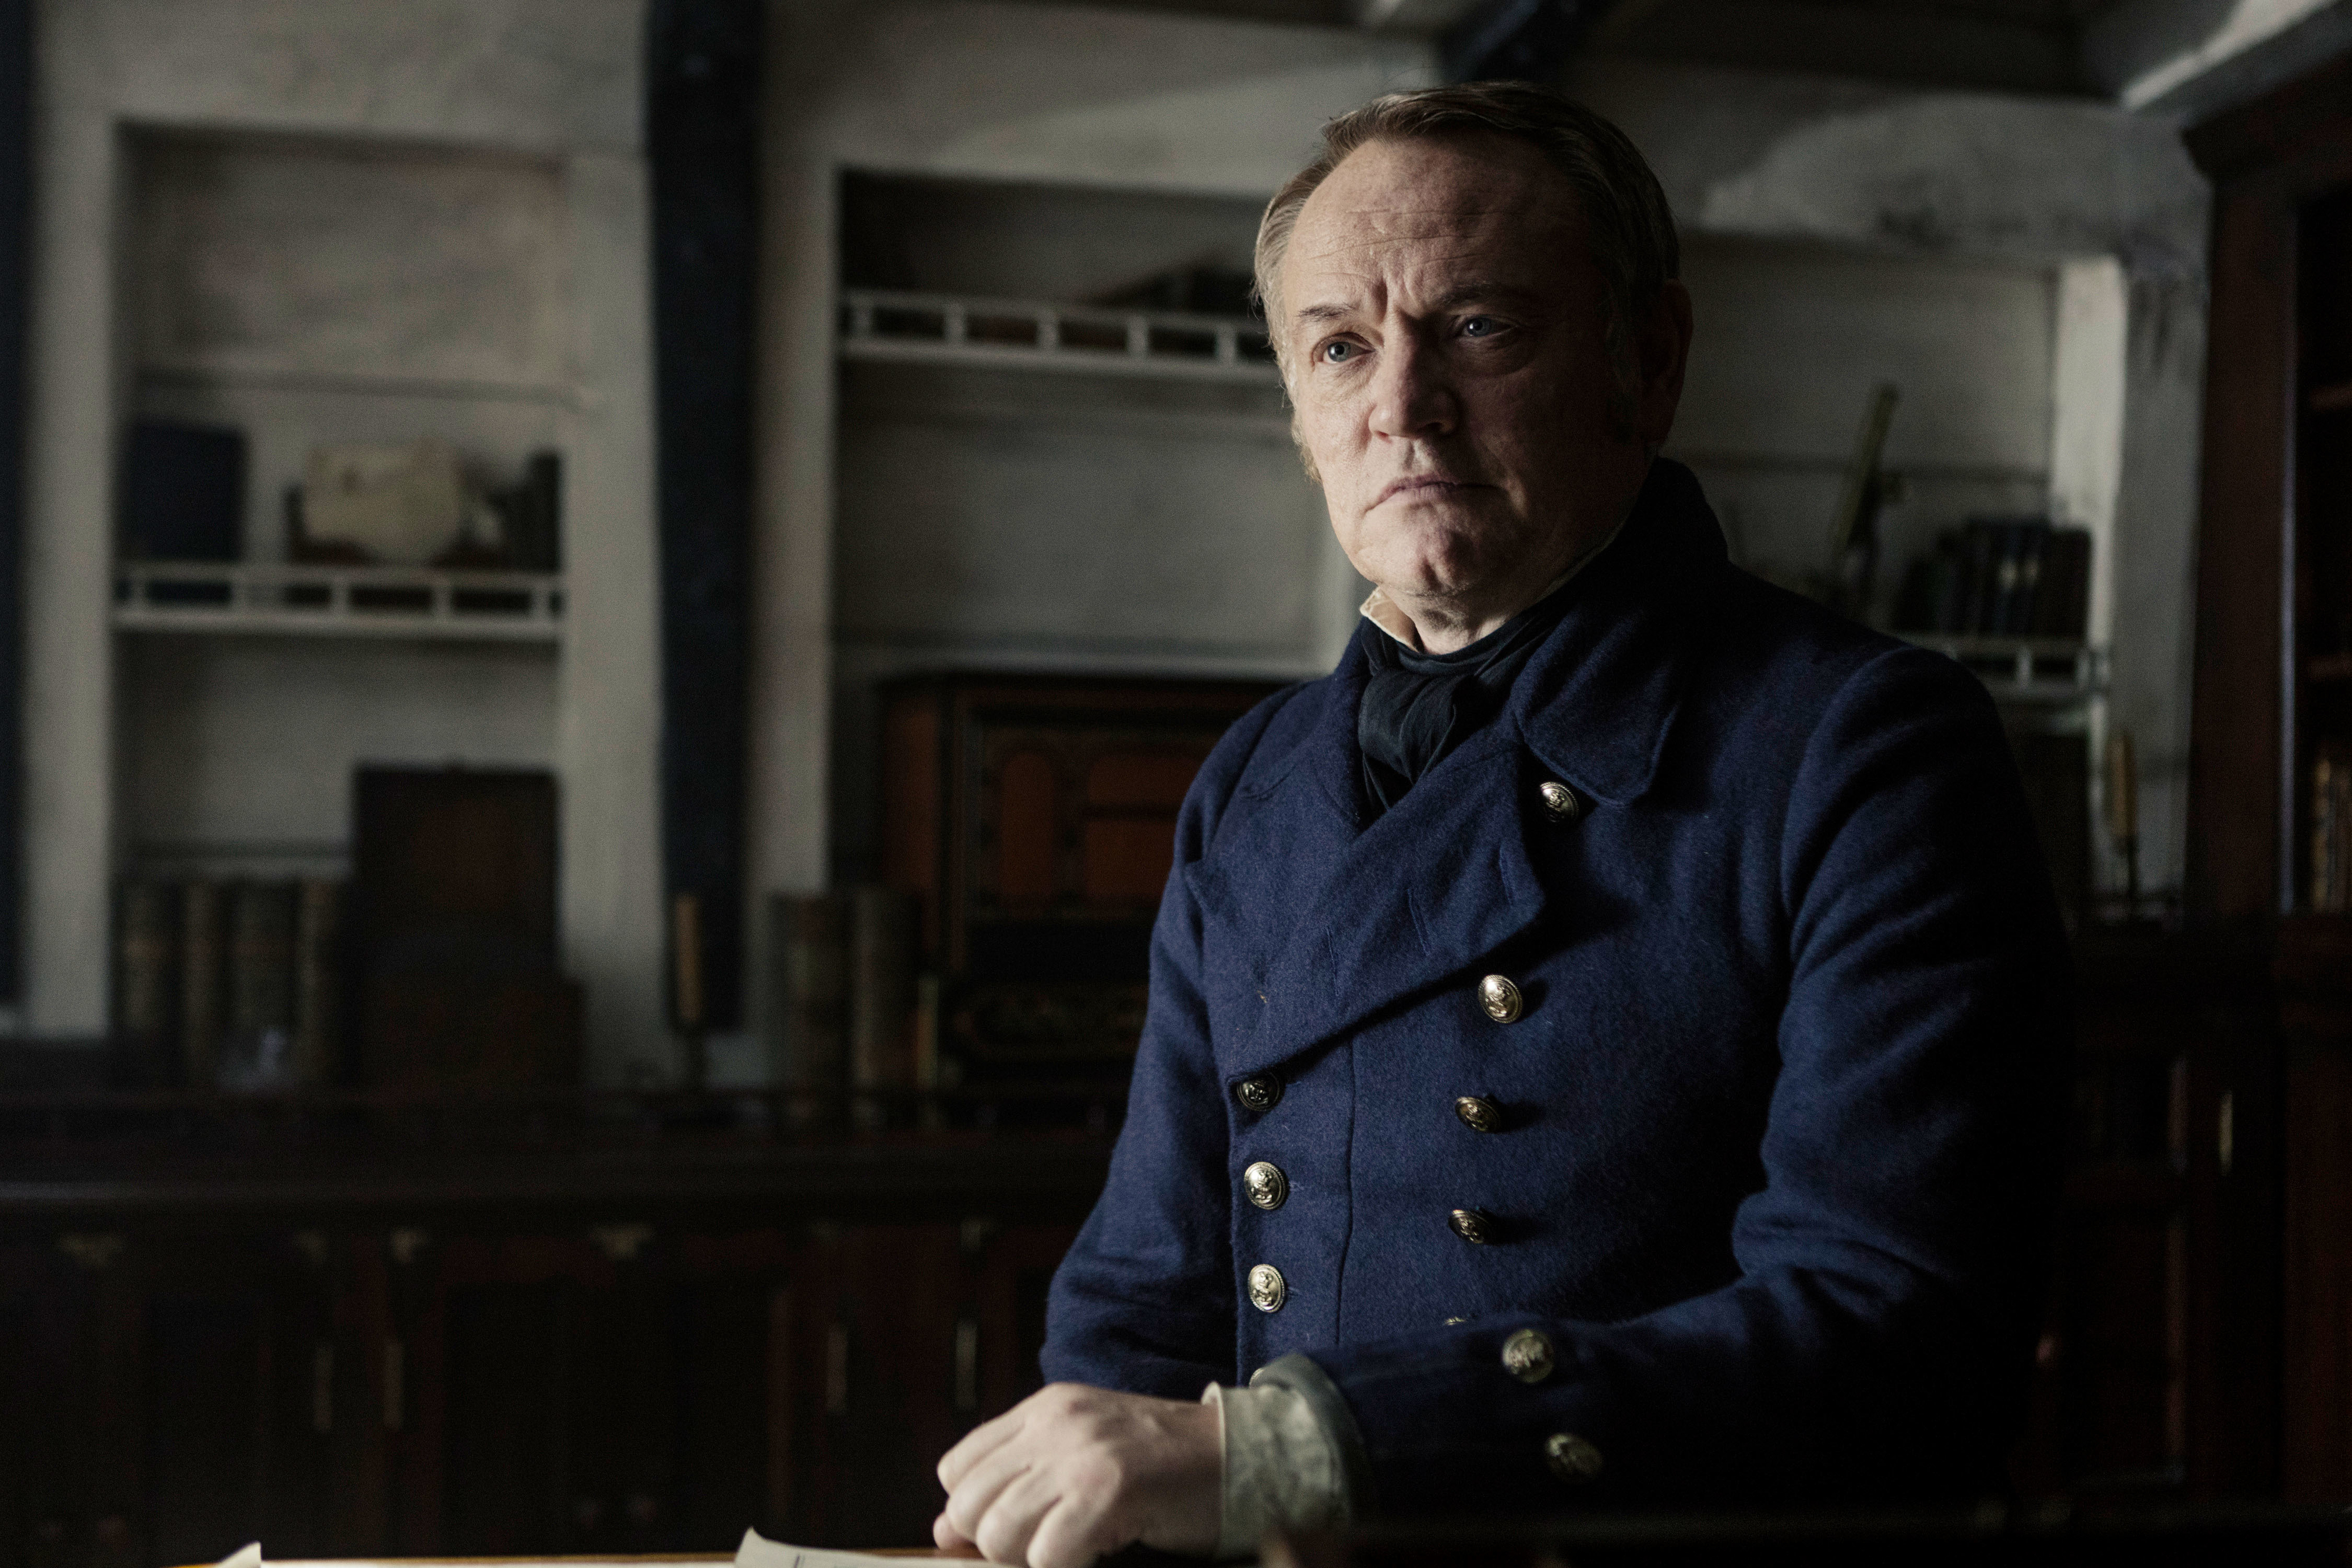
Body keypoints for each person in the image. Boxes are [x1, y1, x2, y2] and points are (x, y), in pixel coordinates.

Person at [931, 81, 2068, 1568]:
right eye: (1339, 347)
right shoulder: (1253, 780)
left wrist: (1296, 1447)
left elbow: (1894, 1333)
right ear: (1298, 415)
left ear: (1645, 362)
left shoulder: (1856, 746)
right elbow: (1142, 1296)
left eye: (1476, 328)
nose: (1398, 404)